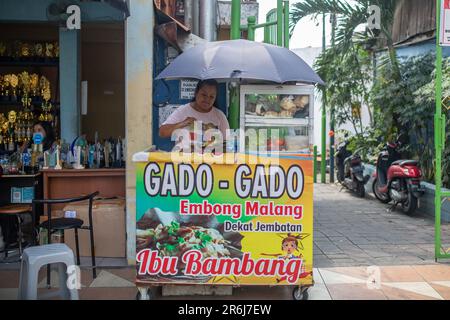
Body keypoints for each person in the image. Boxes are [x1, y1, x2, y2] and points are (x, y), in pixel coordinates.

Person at [159, 79, 230, 144]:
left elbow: (227, 142)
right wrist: (183, 123)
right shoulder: (183, 111)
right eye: (204, 95)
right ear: (196, 93)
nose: (207, 99)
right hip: (184, 157)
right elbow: (162, 132)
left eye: (211, 97)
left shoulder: (219, 116)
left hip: (209, 157)